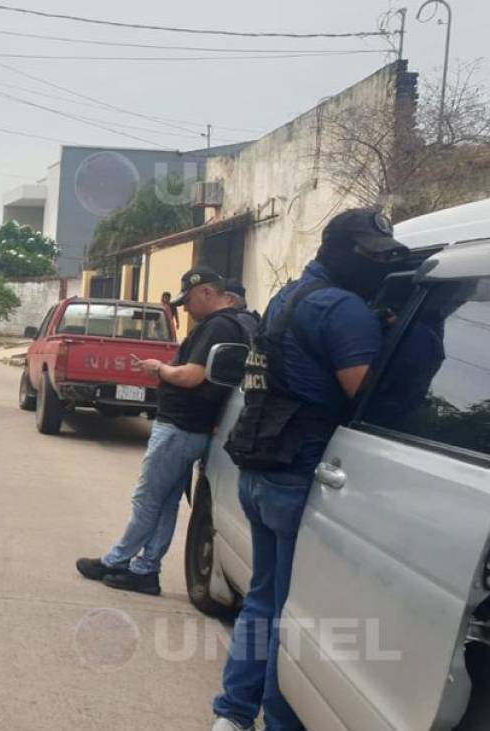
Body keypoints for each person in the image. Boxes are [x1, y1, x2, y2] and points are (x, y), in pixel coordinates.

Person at [211, 209, 408, 731]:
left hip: (263, 465)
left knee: (264, 599)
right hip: (299, 473)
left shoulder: (288, 295)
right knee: (291, 612)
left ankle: (232, 715)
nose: (379, 262)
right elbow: (373, 399)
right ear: (340, 250)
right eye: (371, 253)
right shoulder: (342, 310)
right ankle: (279, 720)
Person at [76, 265, 251, 596]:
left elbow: (191, 376)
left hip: (181, 428)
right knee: (165, 500)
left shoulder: (217, 327)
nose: (185, 308)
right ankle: (145, 569)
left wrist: (159, 368)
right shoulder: (230, 326)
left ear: (207, 293)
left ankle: (118, 561)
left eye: (189, 301)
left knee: (148, 498)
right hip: (190, 428)